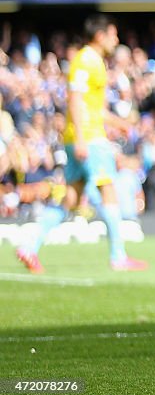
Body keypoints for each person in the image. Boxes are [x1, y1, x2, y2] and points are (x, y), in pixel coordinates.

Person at [15, 15, 147, 273]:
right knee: (108, 190)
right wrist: (82, 140)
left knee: (71, 199)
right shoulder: (87, 60)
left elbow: (92, 108)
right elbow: (74, 99)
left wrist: (120, 123)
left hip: (85, 136)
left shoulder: (92, 61)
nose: (116, 40)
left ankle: (29, 246)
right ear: (100, 35)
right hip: (89, 139)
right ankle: (118, 256)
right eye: (113, 34)